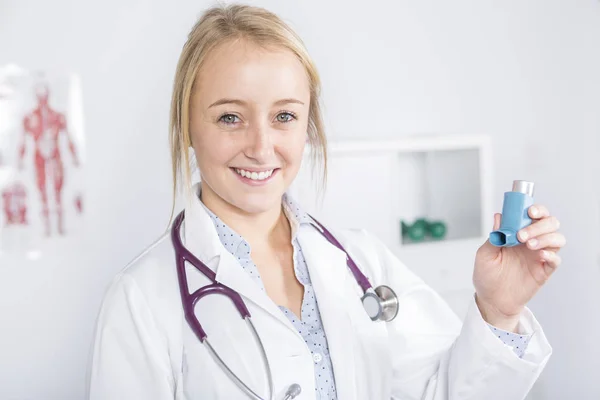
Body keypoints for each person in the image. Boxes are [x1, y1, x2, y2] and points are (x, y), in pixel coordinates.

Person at [87, 4, 566, 399]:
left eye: (284, 116)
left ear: (307, 125)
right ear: (188, 126)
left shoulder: (361, 261)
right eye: (230, 117)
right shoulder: (142, 299)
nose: (260, 145)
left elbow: (444, 392)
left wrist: (499, 311)